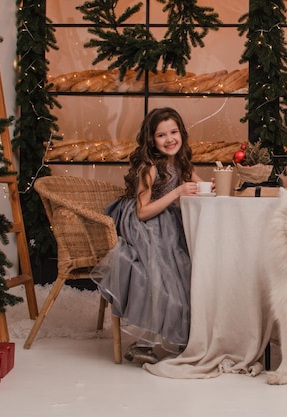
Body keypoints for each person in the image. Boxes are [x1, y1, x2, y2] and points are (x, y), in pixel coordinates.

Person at [92, 107, 206, 364]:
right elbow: (143, 212)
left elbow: (201, 186)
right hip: (146, 227)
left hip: (168, 223)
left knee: (188, 272)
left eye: (174, 132)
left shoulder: (180, 164)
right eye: (161, 135)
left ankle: (186, 336)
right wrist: (177, 193)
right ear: (151, 140)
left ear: (182, 133)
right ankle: (147, 341)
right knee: (162, 276)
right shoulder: (150, 168)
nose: (169, 140)